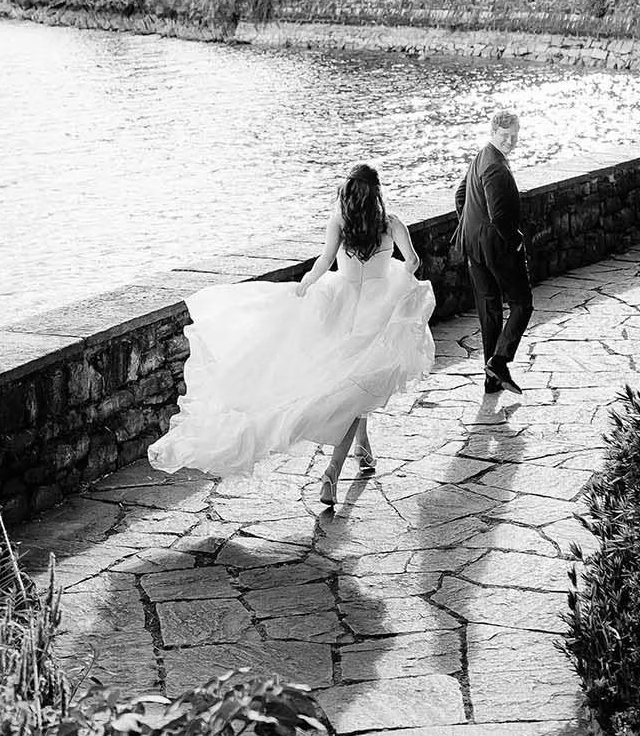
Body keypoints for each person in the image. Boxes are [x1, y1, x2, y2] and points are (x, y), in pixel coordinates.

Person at [148, 164, 434, 509]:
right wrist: (394, 279)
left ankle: (362, 447)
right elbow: (413, 262)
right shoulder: (392, 224)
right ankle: (332, 472)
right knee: (358, 386)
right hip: (377, 312)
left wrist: (305, 286)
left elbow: (323, 263)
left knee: (356, 386)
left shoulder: (340, 222)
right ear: (377, 193)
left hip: (339, 310)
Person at [454, 107, 533, 395]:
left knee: (489, 310)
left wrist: (472, 226)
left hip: (472, 244)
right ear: (493, 132)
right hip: (496, 247)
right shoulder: (496, 167)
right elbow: (499, 216)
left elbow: (460, 196)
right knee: (522, 304)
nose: (510, 141)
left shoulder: (480, 156)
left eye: (514, 135)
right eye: (504, 135)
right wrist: (516, 241)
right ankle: (499, 361)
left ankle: (492, 379)